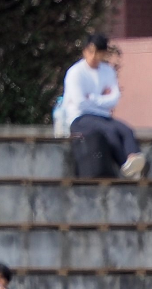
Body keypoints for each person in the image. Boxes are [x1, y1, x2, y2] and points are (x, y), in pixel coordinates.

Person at [62, 33, 146, 179]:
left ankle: (133, 158)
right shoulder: (75, 73)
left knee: (126, 130)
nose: (94, 56)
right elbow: (80, 102)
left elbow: (114, 98)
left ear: (104, 53)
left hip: (103, 116)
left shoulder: (107, 71)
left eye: (98, 53)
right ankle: (124, 164)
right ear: (84, 51)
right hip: (80, 117)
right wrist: (102, 98)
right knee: (110, 131)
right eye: (90, 52)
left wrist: (92, 97)